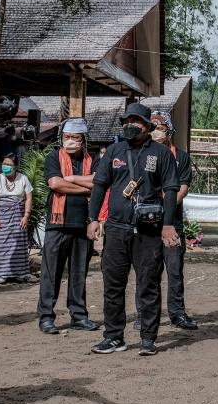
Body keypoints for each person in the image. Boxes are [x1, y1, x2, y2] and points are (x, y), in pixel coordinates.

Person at [87, 103, 179, 356]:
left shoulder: (161, 154)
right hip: (116, 228)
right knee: (113, 284)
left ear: (147, 126)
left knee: (148, 284)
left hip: (148, 230)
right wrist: (93, 218)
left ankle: (148, 338)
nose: (131, 125)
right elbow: (99, 185)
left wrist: (168, 225)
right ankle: (114, 337)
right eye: (127, 121)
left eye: (136, 121)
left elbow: (171, 190)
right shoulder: (114, 151)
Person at [37, 118, 98, 334]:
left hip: (83, 224)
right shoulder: (54, 157)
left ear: (84, 140)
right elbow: (54, 183)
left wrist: (70, 179)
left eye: (75, 138)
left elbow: (99, 182)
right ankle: (46, 317)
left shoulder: (94, 160)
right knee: (50, 273)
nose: (70, 142)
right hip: (57, 224)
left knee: (79, 273)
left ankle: (79, 316)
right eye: (66, 137)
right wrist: (86, 187)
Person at [150, 110, 197, 330]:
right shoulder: (145, 155)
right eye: (153, 128)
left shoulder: (181, 157)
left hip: (173, 222)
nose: (156, 132)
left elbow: (182, 189)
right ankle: (146, 314)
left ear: (169, 131)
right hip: (147, 222)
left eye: (160, 128)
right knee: (148, 270)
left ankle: (177, 313)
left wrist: (166, 206)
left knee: (174, 268)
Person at [0, 153, 33, 284]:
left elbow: (29, 197)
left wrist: (26, 216)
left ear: (15, 166)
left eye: (9, 164)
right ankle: (1, 273)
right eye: (4, 164)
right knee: (1, 246)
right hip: (1, 218)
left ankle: (19, 273)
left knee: (18, 246)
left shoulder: (23, 178)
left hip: (18, 218)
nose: (5, 167)